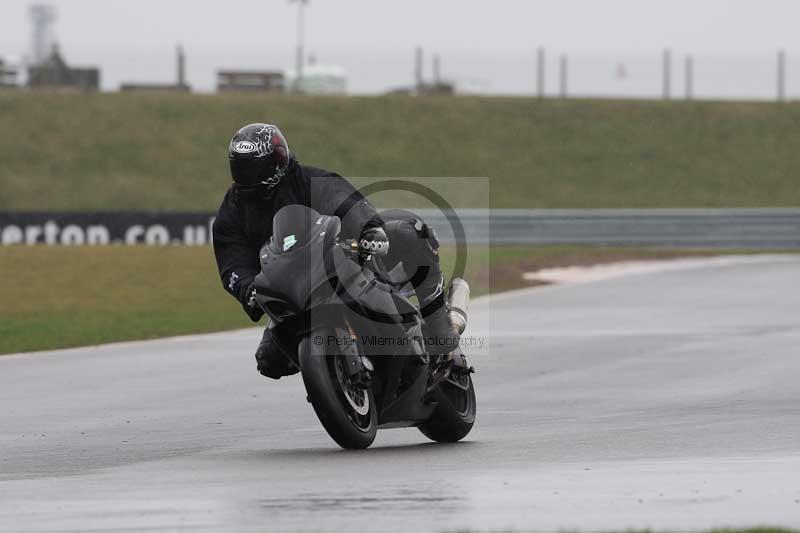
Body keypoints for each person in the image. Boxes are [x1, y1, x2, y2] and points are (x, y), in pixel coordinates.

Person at [212, 123, 459, 379]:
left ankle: (440, 327)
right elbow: (232, 262)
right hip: (290, 288)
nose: (248, 174)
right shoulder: (232, 212)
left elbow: (344, 200)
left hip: (342, 260)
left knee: (412, 234)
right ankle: (331, 376)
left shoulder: (307, 180)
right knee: (269, 361)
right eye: (241, 167)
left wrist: (367, 230)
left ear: (276, 161)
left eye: (254, 167)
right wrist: (247, 288)